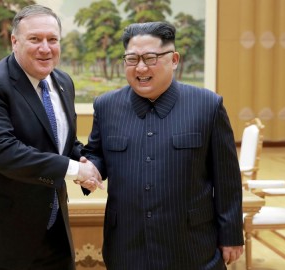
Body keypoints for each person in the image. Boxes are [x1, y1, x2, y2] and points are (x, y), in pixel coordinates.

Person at [0, 5, 102, 270]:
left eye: (52, 39)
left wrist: (90, 162)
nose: (45, 48)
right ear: (14, 41)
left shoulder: (63, 82)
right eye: (35, 39)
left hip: (51, 234)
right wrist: (76, 169)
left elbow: (62, 143)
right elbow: (0, 151)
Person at [82, 21, 244, 269]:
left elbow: (227, 178)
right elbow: (96, 154)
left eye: (151, 57)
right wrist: (90, 168)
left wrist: (231, 235)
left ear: (174, 59)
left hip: (191, 244)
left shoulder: (207, 106)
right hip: (127, 244)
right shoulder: (106, 106)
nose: (141, 67)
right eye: (132, 59)